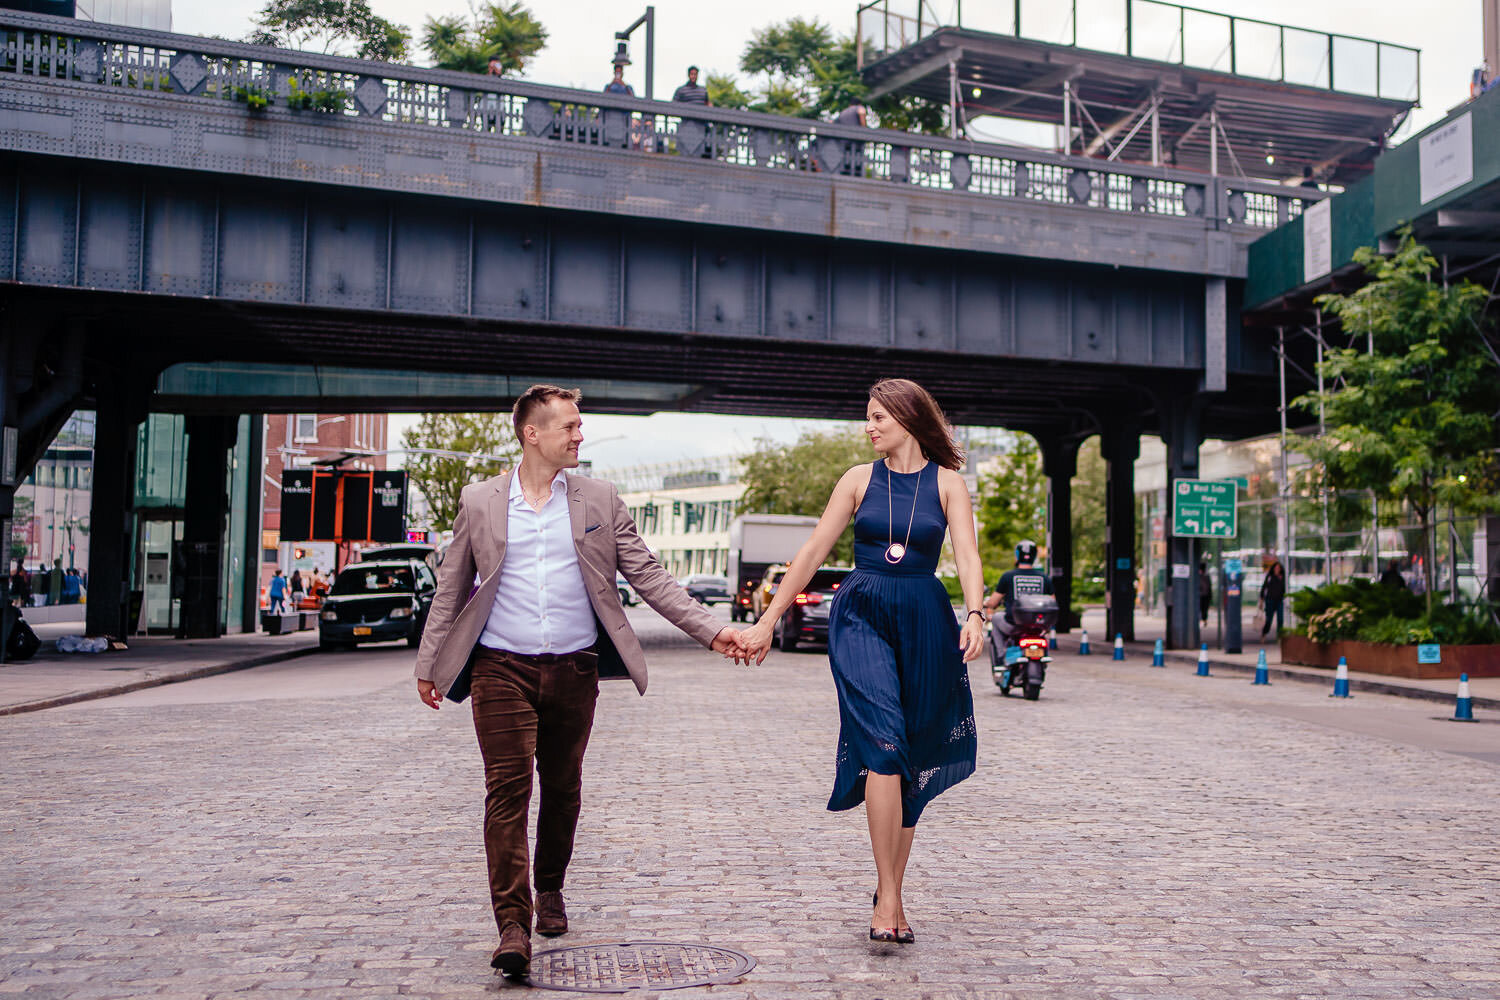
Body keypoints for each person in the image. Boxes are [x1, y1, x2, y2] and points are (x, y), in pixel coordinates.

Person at [413, 384, 747, 978]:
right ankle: (512, 925)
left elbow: (649, 576)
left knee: (563, 786)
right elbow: (451, 587)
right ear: (531, 433)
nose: (579, 435)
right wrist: (428, 661)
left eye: (579, 425)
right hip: (499, 667)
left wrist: (712, 631)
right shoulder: (481, 500)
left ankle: (549, 888)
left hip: (575, 667)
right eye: (569, 426)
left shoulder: (599, 498)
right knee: (507, 791)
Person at [737, 378, 985, 945]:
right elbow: (811, 553)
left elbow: (967, 555)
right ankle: (889, 896)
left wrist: (975, 614)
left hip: (926, 616)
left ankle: (891, 888)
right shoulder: (856, 480)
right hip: (862, 616)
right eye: (867, 417)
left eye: (878, 417)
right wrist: (767, 620)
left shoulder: (948, 484)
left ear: (908, 418)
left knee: (914, 754)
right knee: (884, 746)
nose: (869, 426)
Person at [982, 539, 1054, 648]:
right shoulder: (1044, 578)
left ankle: (1001, 656)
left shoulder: (1008, 576)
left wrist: (985, 604)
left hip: (1013, 625)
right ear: (1034, 556)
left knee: (996, 618)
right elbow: (1053, 603)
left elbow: (993, 602)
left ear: (1017, 555)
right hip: (1039, 625)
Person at [1260, 560, 1286, 640]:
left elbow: (1284, 589)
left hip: (1279, 601)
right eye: (1276, 568)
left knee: (1280, 619)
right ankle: (1264, 633)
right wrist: (1261, 600)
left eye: (1279, 568)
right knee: (1269, 619)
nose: (1277, 569)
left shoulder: (1283, 577)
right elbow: (1264, 588)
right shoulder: (1270, 576)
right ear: (1273, 569)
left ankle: (1279, 636)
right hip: (1270, 600)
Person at [1198, 560, 1213, 626]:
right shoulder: (1205, 576)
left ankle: (1204, 620)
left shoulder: (1202, 576)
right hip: (1204, 595)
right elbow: (1209, 587)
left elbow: (1209, 586)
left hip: (1203, 595)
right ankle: (1204, 620)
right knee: (1203, 608)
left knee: (1203, 608)